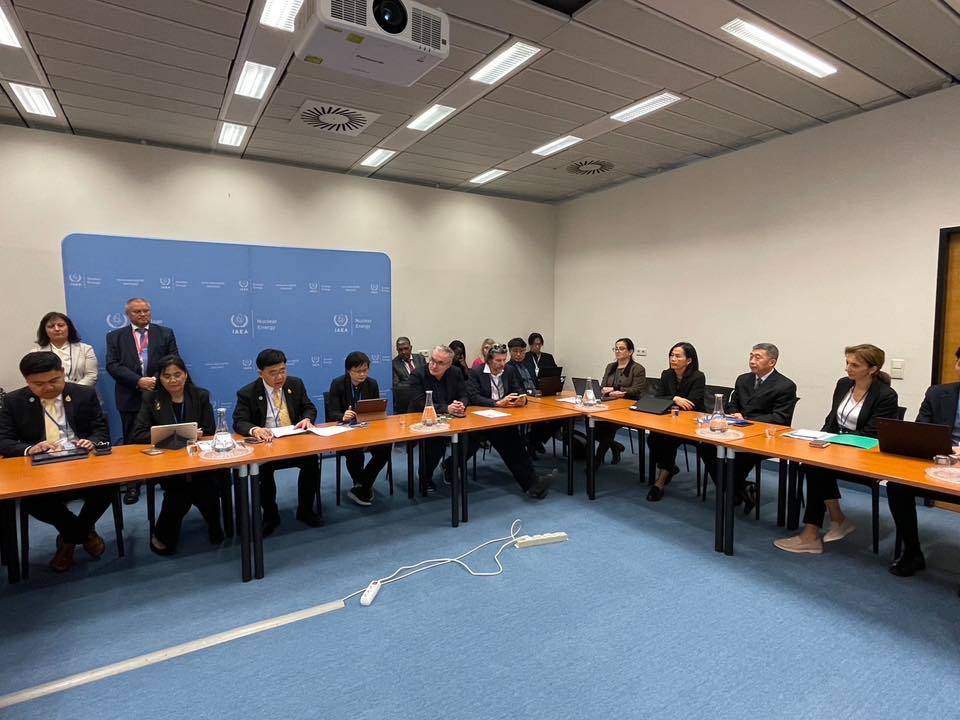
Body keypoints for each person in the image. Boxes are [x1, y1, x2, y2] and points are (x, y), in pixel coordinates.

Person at [774, 344, 898, 554]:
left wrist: (833, 443)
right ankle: (835, 521)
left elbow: (872, 434)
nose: (847, 368)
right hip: (837, 448)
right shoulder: (844, 384)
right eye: (847, 363)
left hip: (865, 453)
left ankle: (814, 534)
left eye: (855, 365)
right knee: (812, 464)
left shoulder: (886, 395)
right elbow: (832, 420)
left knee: (816, 468)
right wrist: (820, 439)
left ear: (872, 369)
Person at [0, 352, 113, 572]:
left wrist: (91, 441)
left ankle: (68, 540)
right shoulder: (13, 401)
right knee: (32, 501)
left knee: (108, 487)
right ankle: (83, 534)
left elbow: (100, 429)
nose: (48, 387)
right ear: (27, 381)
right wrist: (30, 448)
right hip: (39, 469)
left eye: (54, 380)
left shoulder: (84, 393)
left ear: (62, 373)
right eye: (39, 384)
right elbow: (3, 440)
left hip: (82, 464)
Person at [130, 355, 225, 555]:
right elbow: (138, 434)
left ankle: (208, 527)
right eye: (167, 376)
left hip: (199, 460)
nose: (173, 380)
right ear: (160, 378)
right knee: (181, 491)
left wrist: (199, 434)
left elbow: (209, 430)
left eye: (177, 374)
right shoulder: (151, 398)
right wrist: (176, 436)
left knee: (202, 486)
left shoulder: (200, 395)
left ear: (185, 375)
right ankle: (200, 529)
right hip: (167, 462)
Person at [886, 347, 960, 577]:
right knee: (897, 486)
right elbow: (921, 431)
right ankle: (912, 552)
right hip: (941, 462)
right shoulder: (938, 393)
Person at [233, 348, 322, 534]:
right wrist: (255, 429)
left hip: (294, 442)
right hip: (267, 445)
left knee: (312, 462)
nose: (279, 377)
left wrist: (307, 419)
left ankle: (305, 510)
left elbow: (309, 407)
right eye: (273, 373)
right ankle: (270, 516)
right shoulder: (247, 393)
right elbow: (239, 421)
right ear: (261, 373)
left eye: (283, 370)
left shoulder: (295, 384)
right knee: (262, 471)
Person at [701, 343, 798, 514]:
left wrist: (746, 419)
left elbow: (780, 418)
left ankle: (733, 491)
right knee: (706, 446)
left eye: (758, 357)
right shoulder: (743, 379)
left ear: (772, 362)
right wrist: (734, 413)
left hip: (764, 437)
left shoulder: (785, 385)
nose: (752, 361)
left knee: (739, 457)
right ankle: (740, 489)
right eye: (751, 356)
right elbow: (732, 404)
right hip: (736, 432)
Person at [105, 297, 179, 505]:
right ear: (128, 314)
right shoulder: (115, 336)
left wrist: (155, 380)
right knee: (132, 441)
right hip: (130, 395)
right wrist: (138, 381)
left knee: (164, 436)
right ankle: (133, 485)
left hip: (159, 393)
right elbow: (112, 365)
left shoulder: (165, 333)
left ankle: (167, 479)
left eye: (146, 310)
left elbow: (173, 360)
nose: (143, 314)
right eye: (137, 311)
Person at [464, 345, 552, 499]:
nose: (502, 364)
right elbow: (473, 397)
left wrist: (521, 399)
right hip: (481, 418)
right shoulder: (476, 372)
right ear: (489, 360)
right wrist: (496, 403)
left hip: (503, 418)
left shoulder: (509, 371)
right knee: (471, 447)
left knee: (515, 446)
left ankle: (532, 485)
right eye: (498, 360)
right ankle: (449, 467)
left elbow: (518, 390)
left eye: (504, 360)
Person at [326, 351, 392, 507]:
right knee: (354, 452)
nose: (362, 374)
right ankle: (363, 486)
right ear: (349, 370)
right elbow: (332, 412)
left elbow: (375, 409)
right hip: (345, 431)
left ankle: (362, 484)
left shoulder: (372, 384)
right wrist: (343, 415)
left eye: (365, 370)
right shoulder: (338, 383)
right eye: (358, 371)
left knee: (385, 447)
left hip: (368, 429)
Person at [646, 342, 706, 502]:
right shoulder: (667, 374)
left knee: (668, 441)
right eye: (671, 355)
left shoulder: (698, 376)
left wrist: (673, 401)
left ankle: (660, 483)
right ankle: (669, 468)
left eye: (678, 356)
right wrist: (675, 398)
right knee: (652, 438)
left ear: (689, 360)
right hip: (670, 420)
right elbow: (658, 397)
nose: (673, 359)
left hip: (692, 423)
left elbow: (692, 403)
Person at [408, 345, 468, 491]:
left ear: (449, 364)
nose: (434, 365)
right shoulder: (417, 374)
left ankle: (450, 465)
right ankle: (425, 476)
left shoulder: (456, 372)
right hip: (423, 418)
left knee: (472, 437)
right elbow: (420, 402)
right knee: (437, 442)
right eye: (432, 360)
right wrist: (447, 408)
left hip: (451, 418)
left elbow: (464, 394)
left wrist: (461, 404)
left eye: (440, 363)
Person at [594, 338, 647, 467]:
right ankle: (615, 446)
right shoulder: (610, 367)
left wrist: (619, 390)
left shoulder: (637, 369)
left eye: (621, 348)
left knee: (607, 427)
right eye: (616, 348)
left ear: (630, 352)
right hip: (609, 404)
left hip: (628, 407)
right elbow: (603, 385)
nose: (617, 351)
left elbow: (637, 390)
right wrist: (603, 390)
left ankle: (596, 462)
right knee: (593, 426)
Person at [508, 337, 562, 456]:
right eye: (515, 351)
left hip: (537, 398)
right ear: (510, 352)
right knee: (539, 417)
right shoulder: (508, 368)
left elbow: (536, 382)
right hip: (522, 401)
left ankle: (534, 440)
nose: (519, 354)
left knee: (560, 416)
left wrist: (544, 389)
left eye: (522, 351)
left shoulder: (528, 365)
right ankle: (532, 441)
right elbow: (514, 389)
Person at [32, 312, 99, 386]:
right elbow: (34, 379)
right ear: (44, 330)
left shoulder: (86, 349)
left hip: (80, 391)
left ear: (69, 328)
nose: (56, 329)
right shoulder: (35, 353)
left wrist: (74, 390)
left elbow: (91, 376)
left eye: (61, 325)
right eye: (51, 326)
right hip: (49, 391)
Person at [391, 336, 426, 414]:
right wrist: (416, 383)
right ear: (397, 350)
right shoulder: (394, 364)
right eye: (400, 350)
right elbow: (397, 385)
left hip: (423, 399)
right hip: (406, 401)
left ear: (411, 347)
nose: (403, 352)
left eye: (406, 348)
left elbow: (427, 377)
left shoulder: (420, 358)